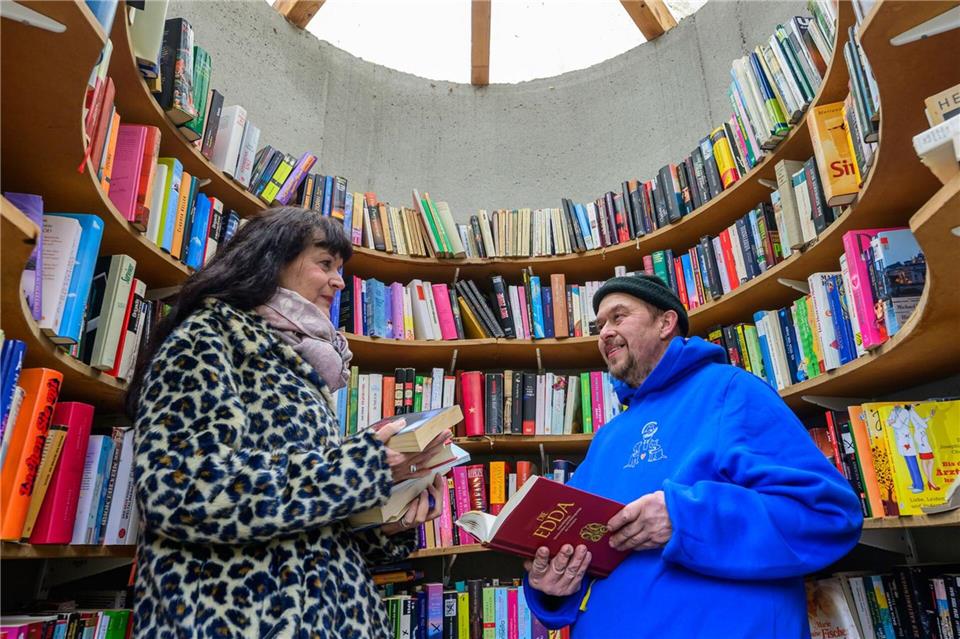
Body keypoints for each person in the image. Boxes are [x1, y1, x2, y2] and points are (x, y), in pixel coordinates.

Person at [126, 207, 449, 638]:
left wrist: (384, 521)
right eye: (326, 264)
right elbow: (182, 491)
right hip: (234, 618)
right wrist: (359, 467)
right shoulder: (207, 337)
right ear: (271, 260)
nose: (339, 281)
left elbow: (304, 522)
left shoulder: (299, 365)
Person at [523, 273, 864, 638]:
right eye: (599, 324)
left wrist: (684, 518)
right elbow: (582, 554)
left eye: (618, 317)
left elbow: (827, 516)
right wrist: (551, 584)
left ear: (666, 323)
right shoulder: (607, 437)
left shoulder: (732, 391)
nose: (604, 332)